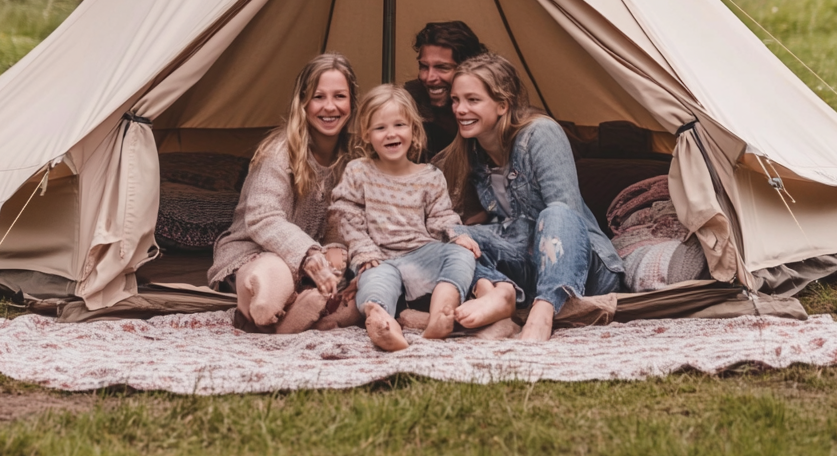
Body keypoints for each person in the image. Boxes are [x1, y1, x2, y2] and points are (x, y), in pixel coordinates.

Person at [439, 53, 624, 342]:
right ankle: (496, 297)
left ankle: (543, 312)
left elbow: (568, 216)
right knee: (451, 233)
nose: (460, 109)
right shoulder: (472, 154)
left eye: (472, 100)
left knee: (556, 213)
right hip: (528, 267)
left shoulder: (541, 133)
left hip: (585, 269)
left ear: (502, 105)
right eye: (455, 100)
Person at [207, 53, 358, 333]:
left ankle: (295, 315)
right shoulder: (280, 152)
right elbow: (263, 216)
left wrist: (337, 249)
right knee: (273, 273)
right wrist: (309, 254)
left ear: (352, 103)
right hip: (258, 252)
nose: (329, 107)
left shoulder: (353, 158)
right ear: (303, 102)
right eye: (318, 97)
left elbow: (345, 217)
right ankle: (261, 307)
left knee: (354, 287)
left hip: (315, 264)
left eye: (339, 96)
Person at [330, 84, 481, 351]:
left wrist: (457, 235)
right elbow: (345, 215)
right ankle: (382, 320)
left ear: (413, 128)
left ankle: (441, 313)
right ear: (366, 134)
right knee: (373, 281)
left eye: (399, 125)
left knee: (462, 255)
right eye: (380, 128)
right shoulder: (359, 171)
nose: (391, 134)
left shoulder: (430, 175)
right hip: (379, 257)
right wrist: (363, 252)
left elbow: (441, 216)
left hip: (421, 252)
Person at [404, 21, 486, 160]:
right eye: (424, 66)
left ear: (468, 68)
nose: (429, 78)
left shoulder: (491, 111)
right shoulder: (406, 107)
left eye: (442, 68)